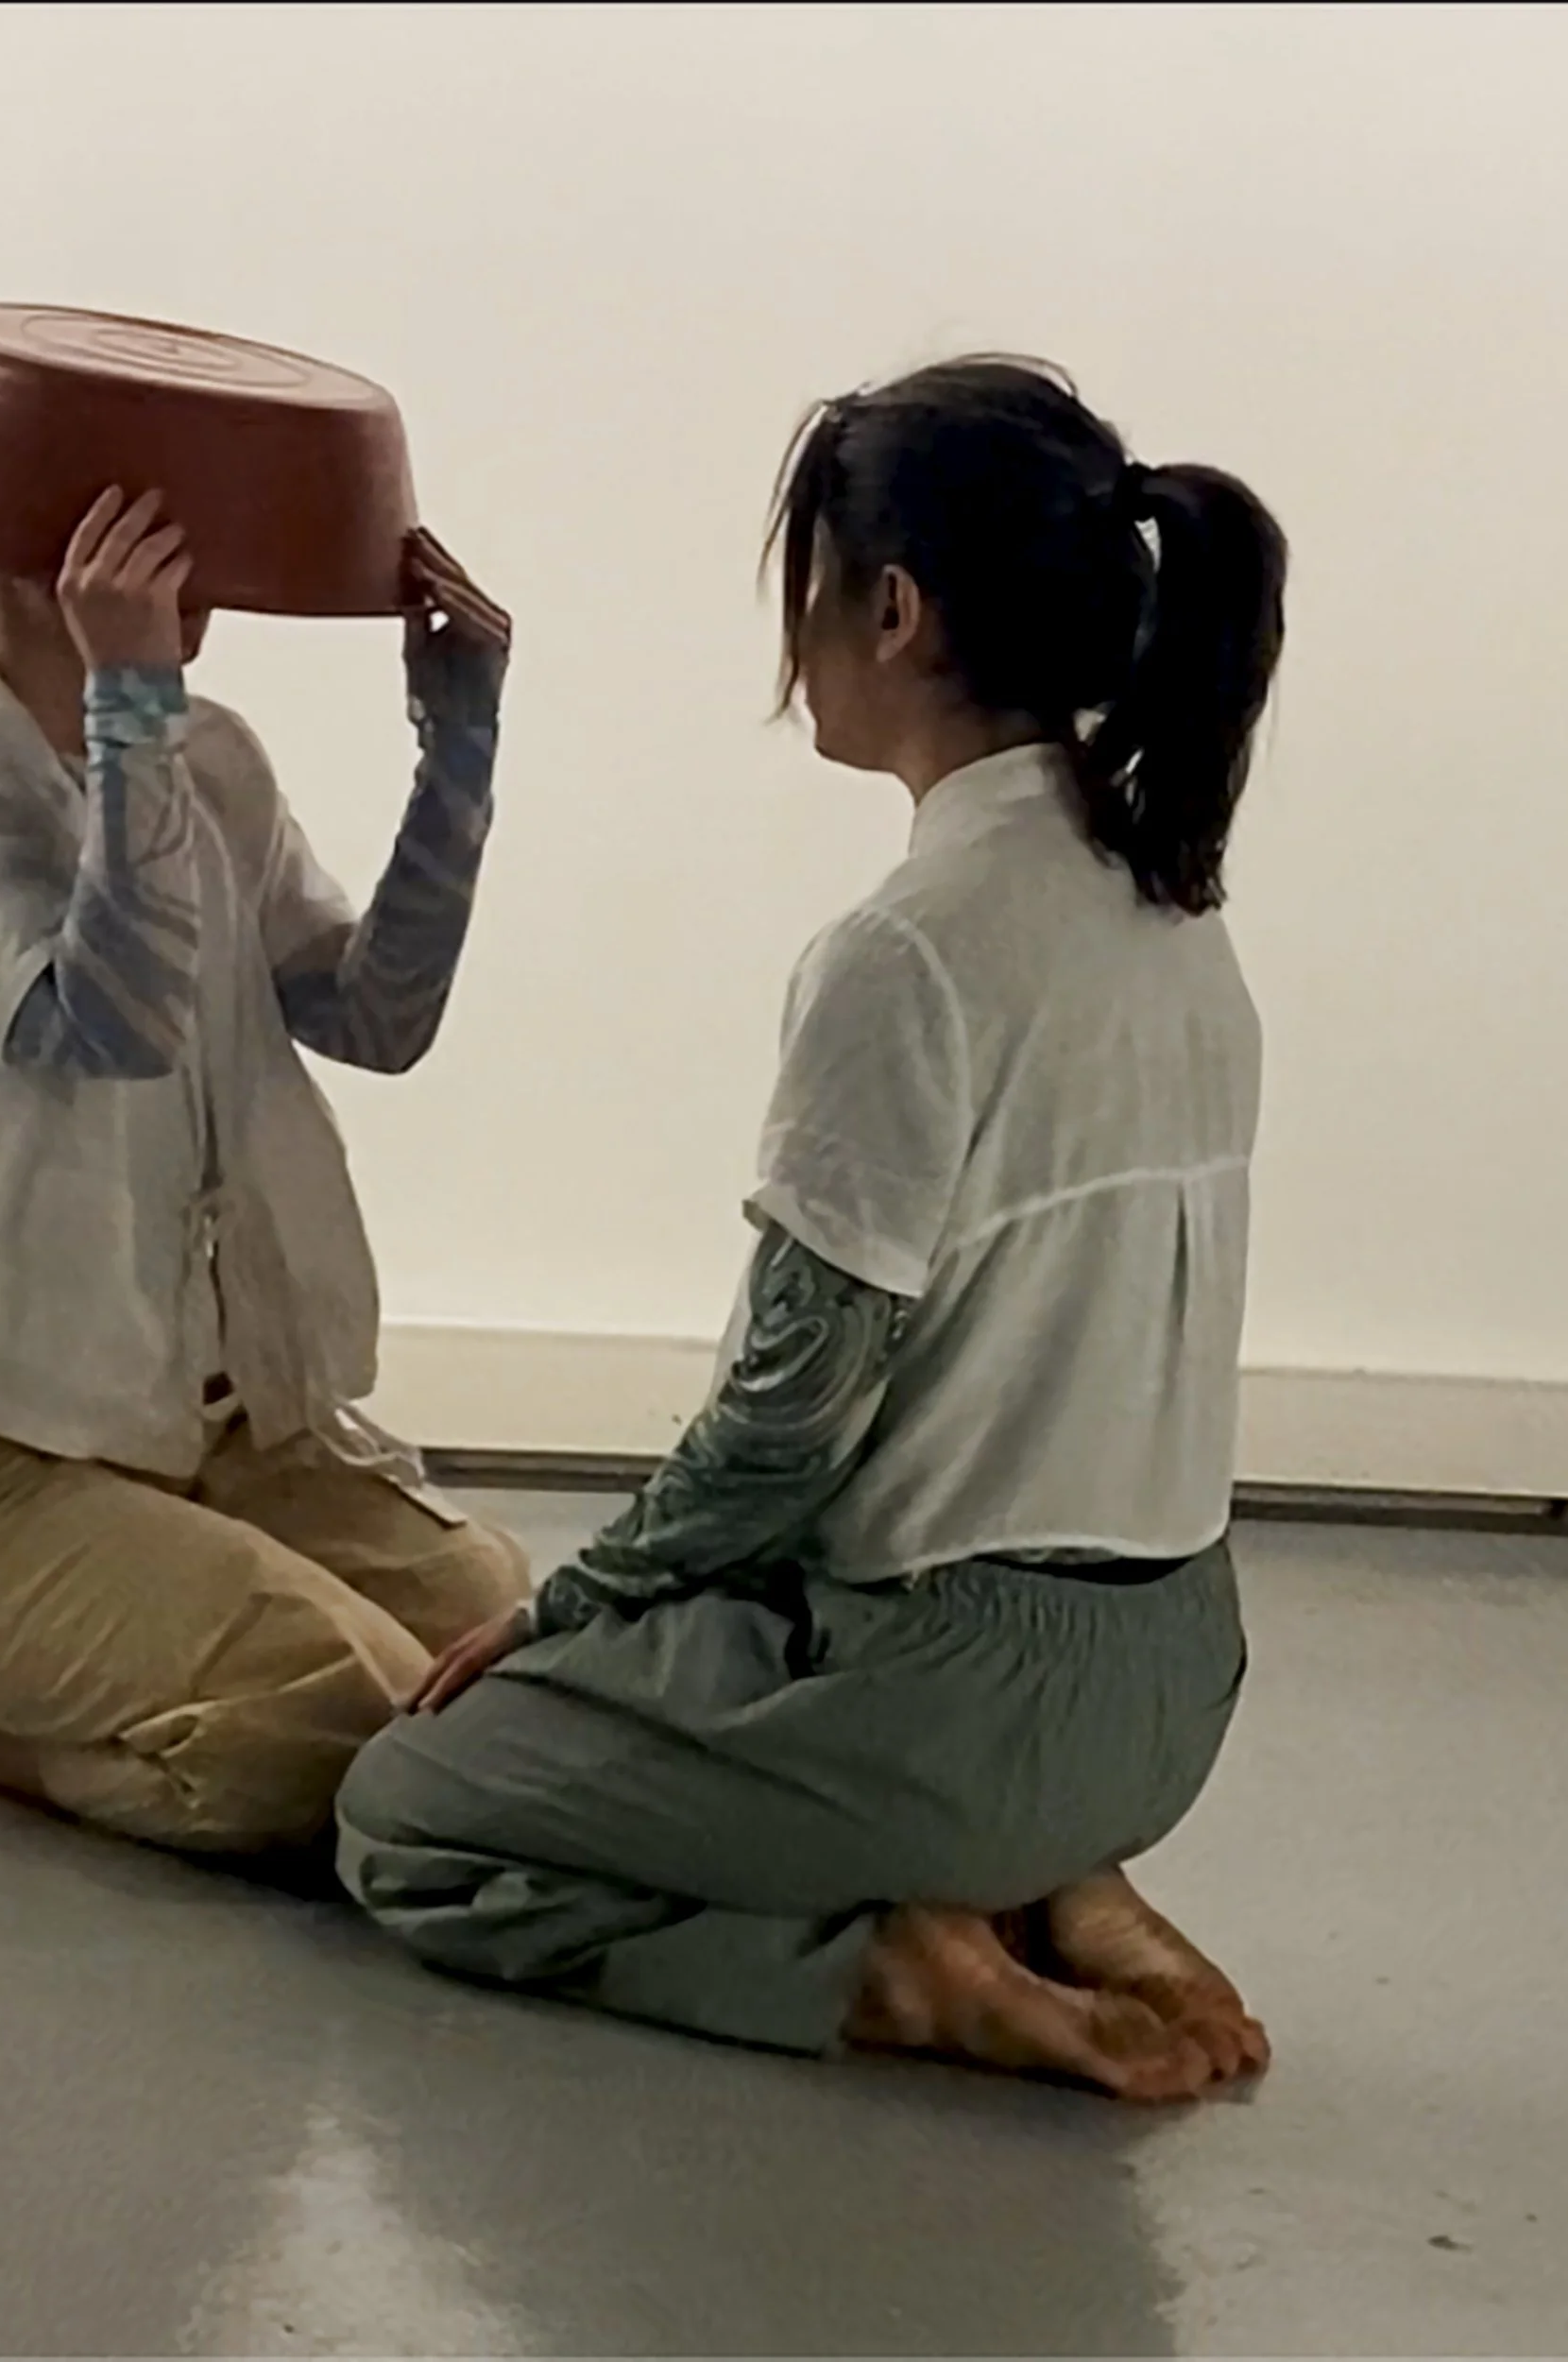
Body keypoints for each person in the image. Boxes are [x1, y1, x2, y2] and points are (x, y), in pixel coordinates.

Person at [337, 358, 1288, 2102]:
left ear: (896, 608)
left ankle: (900, 1970)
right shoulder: (1177, 915)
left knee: (406, 1815)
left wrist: (569, 1606)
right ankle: (1056, 1883)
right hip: (1170, 1696)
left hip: (960, 1703)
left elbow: (786, 1425)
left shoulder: (907, 954)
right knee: (713, 1636)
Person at [0, 485, 529, 1857]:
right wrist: (130, 700)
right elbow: (105, 1022)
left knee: (503, 1656)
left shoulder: (211, 764)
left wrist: (456, 750)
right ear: (31, 550)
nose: (213, 565)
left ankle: (118, 1649)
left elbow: (379, 1016)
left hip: (213, 1428)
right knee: (342, 1735)